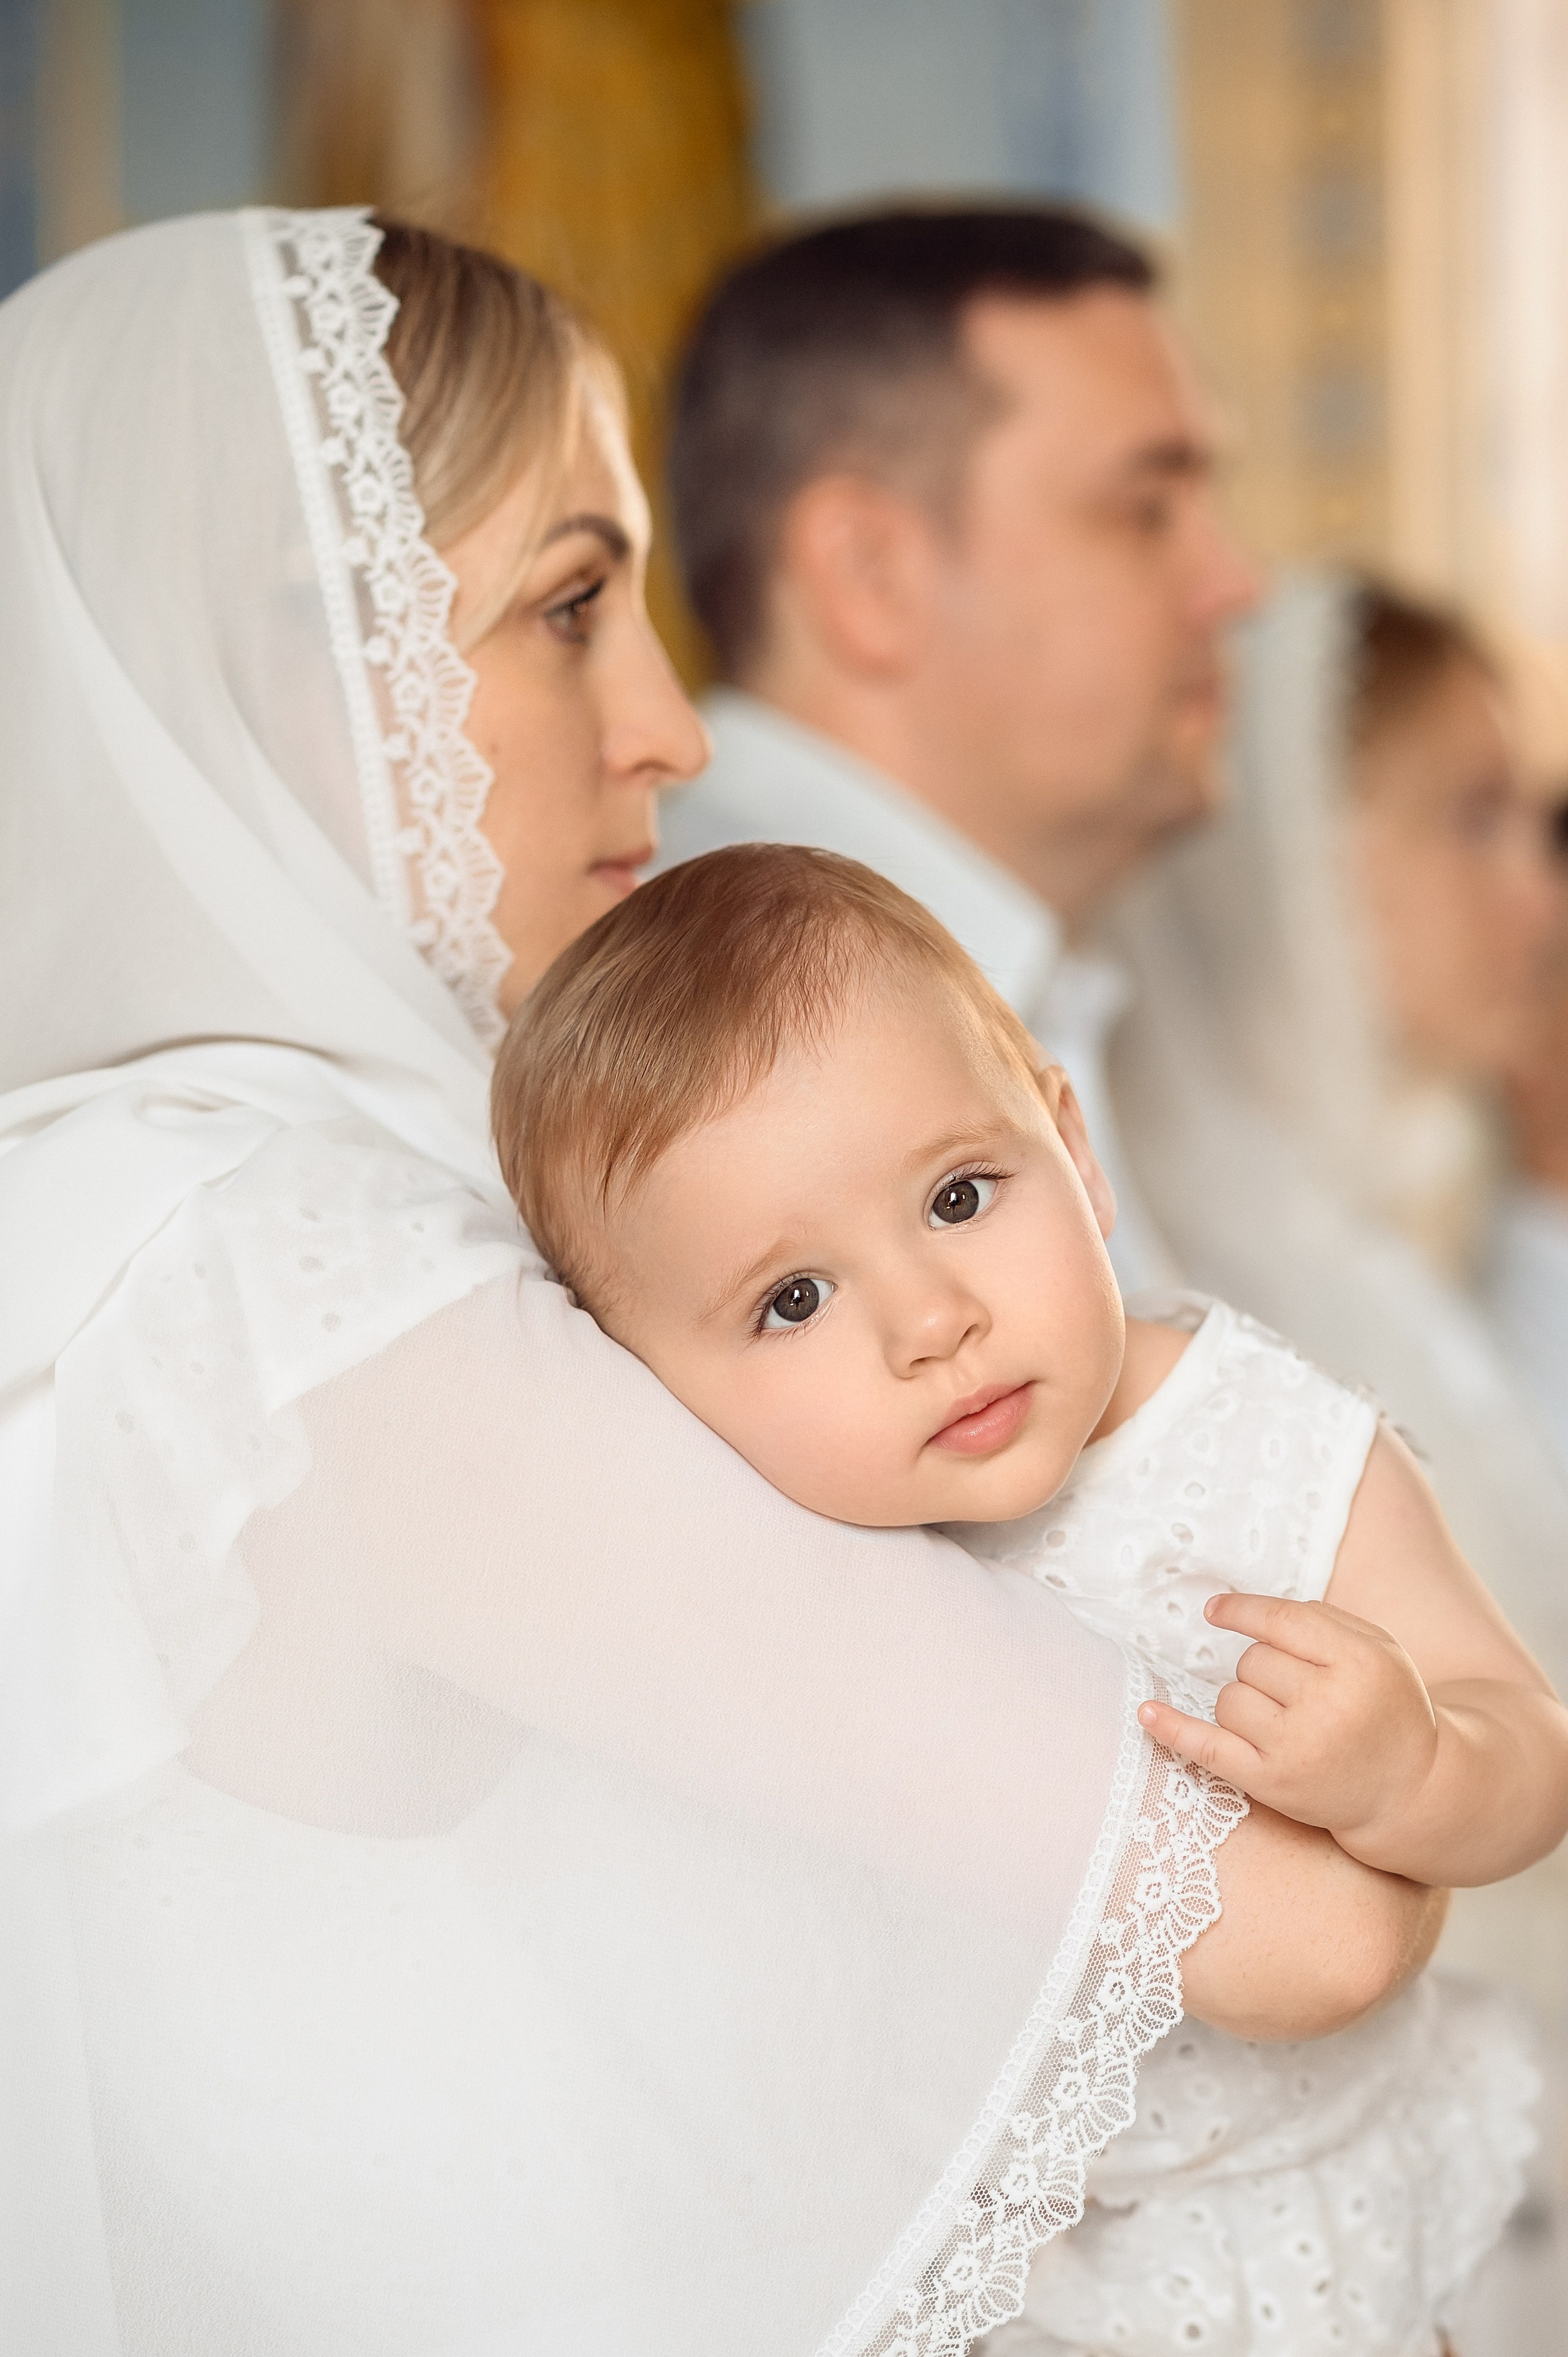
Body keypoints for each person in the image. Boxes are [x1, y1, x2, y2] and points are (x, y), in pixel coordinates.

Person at [0, 211, 1431, 2357]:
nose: (669, 726)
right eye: (571, 604)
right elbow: (1296, 1929)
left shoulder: (135, 1212)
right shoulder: (327, 1299)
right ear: (279, 669)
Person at [494, 837, 1554, 2352]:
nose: (931, 1321)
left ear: (1072, 1145)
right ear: (657, 1395)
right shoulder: (796, 1580)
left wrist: (1418, 1767)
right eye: (793, 1299)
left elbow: (1525, 1735)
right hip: (1009, 2277)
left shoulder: (1256, 1439)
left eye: (958, 1195)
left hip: (1308, 2211)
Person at [658, 204, 1261, 1295]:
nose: (1236, 585)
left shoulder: (999, 976)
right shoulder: (705, 1015)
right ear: (869, 576)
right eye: (1145, 509)